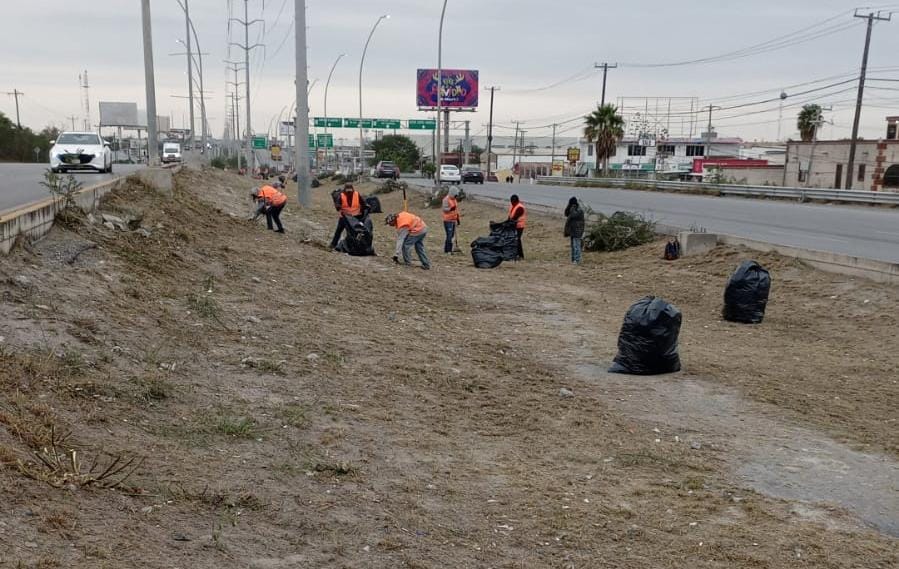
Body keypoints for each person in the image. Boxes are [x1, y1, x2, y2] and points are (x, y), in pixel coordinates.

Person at [330, 183, 366, 249]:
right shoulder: (341, 195)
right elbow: (337, 205)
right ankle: (333, 244)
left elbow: (363, 203)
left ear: (352, 189)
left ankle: (353, 246)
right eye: (347, 190)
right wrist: (338, 206)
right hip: (344, 217)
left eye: (350, 190)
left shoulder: (357, 194)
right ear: (345, 189)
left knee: (353, 233)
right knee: (339, 231)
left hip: (354, 218)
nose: (349, 192)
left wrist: (363, 210)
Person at [564, 197, 585, 265]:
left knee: (576, 246)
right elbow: (566, 213)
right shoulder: (573, 209)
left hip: (578, 230)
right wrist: (569, 207)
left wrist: (572, 207)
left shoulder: (579, 210)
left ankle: (577, 260)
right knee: (573, 246)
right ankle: (574, 259)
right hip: (572, 230)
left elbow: (573, 215)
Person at [507, 194, 527, 260]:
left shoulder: (520, 207)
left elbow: (515, 217)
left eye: (512, 202)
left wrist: (508, 223)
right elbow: (510, 216)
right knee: (514, 239)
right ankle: (515, 254)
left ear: (515, 201)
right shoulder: (512, 206)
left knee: (517, 239)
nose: (511, 203)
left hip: (519, 226)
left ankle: (520, 255)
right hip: (514, 225)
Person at [441, 187, 461, 254]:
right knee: (449, 235)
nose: (456, 196)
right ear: (452, 193)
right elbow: (444, 209)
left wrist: (458, 219)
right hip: (448, 220)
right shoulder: (446, 199)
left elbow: (456, 210)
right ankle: (448, 250)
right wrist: (450, 209)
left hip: (453, 220)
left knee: (451, 236)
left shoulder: (454, 200)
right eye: (455, 195)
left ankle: (448, 249)